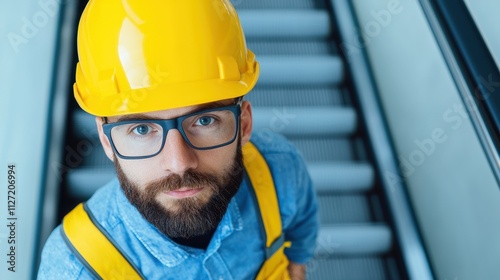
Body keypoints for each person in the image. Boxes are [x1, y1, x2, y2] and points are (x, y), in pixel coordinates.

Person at [37, 0, 318, 279]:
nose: (179, 162)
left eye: (204, 120)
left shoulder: (280, 169)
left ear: (244, 124)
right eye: (142, 129)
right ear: (107, 141)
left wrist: (298, 266)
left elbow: (301, 232)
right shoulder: (74, 269)